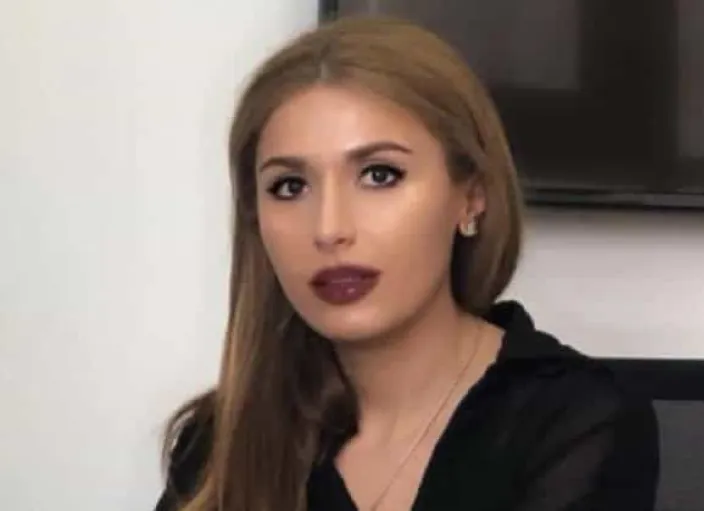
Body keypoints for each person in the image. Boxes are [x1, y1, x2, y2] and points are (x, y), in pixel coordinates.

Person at [154, 16, 658, 511]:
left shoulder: (573, 421)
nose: (329, 228)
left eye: (380, 175)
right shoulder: (220, 442)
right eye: (290, 186)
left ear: (472, 196)